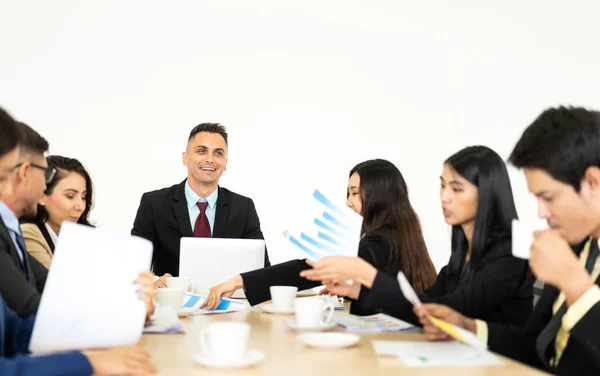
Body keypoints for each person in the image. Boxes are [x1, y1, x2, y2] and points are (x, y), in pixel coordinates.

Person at [416, 107, 600, 375]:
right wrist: (470, 328)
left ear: (593, 183)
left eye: (548, 197)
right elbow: (538, 346)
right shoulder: (579, 248)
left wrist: (576, 286)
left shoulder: (567, 264)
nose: (541, 213)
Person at [0, 107, 156, 375]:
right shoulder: (26, 233)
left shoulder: (11, 232)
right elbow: (33, 306)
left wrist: (125, 313)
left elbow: (16, 331)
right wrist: (90, 362)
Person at [302, 146, 534, 326]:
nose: (444, 197)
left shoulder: (511, 251)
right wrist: (359, 290)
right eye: (442, 186)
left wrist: (370, 277)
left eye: (456, 188)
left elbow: (450, 310)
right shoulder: (463, 251)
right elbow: (423, 303)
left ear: (487, 194)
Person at [201, 159, 438, 314]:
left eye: (355, 193)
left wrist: (237, 281)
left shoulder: (378, 241)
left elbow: (305, 269)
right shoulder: (402, 232)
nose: (348, 202)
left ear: (379, 195)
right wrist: (351, 288)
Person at [132, 123, 271, 284]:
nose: (210, 159)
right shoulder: (154, 203)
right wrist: (156, 281)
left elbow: (262, 270)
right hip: (173, 304)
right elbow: (133, 266)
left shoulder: (243, 208)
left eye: (218, 153)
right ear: (185, 158)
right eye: (201, 151)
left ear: (225, 162)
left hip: (228, 304)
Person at [0, 121, 54, 316]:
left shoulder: (11, 230)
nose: (45, 187)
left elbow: (53, 284)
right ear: (24, 172)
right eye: (45, 173)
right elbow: (29, 307)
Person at [21, 156, 93, 268]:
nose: (80, 206)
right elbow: (56, 283)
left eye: (83, 197)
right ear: (41, 196)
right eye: (70, 196)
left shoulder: (82, 238)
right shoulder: (29, 233)